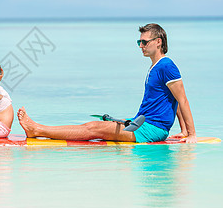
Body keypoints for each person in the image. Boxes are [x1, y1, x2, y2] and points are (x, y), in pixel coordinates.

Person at [18, 23, 197, 143]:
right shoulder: (156, 66)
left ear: (158, 42)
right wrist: (183, 130)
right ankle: (39, 129)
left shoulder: (167, 66)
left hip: (152, 129)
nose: (141, 46)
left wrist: (192, 134)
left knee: (94, 128)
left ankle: (37, 130)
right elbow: (174, 99)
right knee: (90, 127)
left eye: (144, 42)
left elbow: (182, 100)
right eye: (139, 42)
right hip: (141, 123)